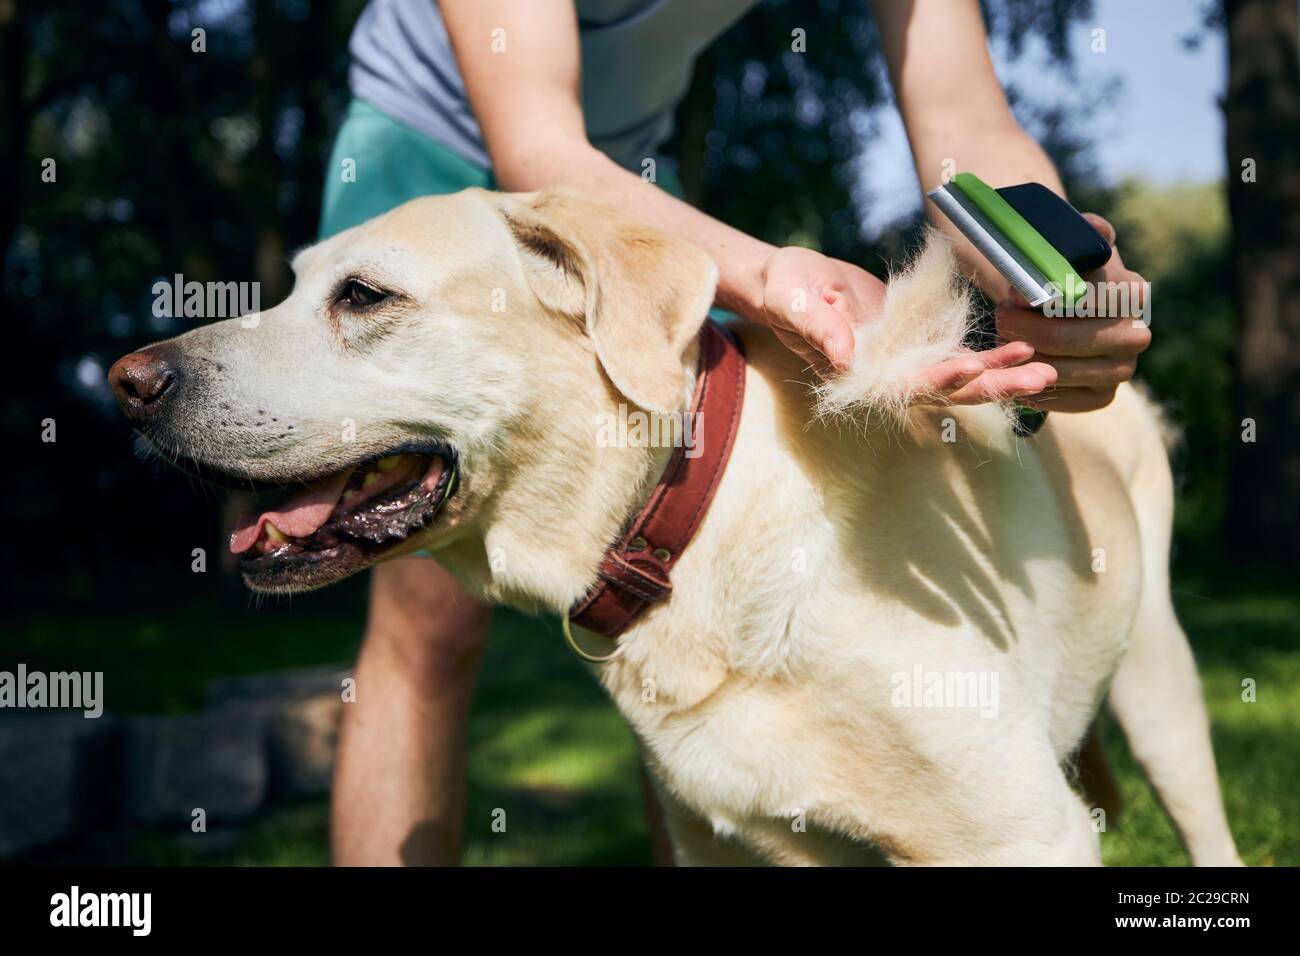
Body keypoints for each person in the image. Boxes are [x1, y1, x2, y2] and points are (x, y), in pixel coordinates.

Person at [322, 0, 1152, 866]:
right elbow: (536, 148)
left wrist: (1051, 279)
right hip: (435, 145)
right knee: (432, 619)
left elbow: (964, 121)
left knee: (681, 579)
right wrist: (766, 274)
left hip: (624, 179)